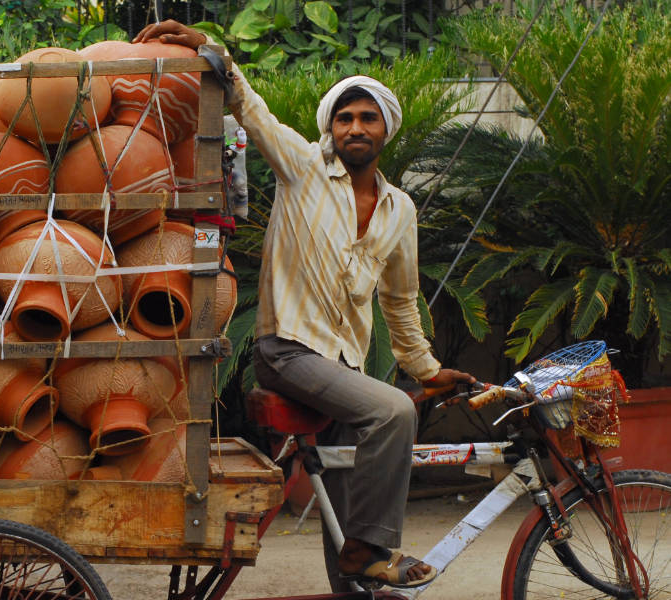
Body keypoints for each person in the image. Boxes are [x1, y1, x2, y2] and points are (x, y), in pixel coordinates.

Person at [135, 21, 476, 591]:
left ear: (386, 129)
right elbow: (253, 111)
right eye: (345, 118)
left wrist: (426, 369)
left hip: (344, 369)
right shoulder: (303, 168)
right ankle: (373, 550)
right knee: (393, 412)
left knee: (342, 500)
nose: (356, 127)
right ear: (330, 128)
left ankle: (355, 569)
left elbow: (399, 300)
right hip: (287, 351)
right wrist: (204, 45)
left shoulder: (400, 210)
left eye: (368, 118)